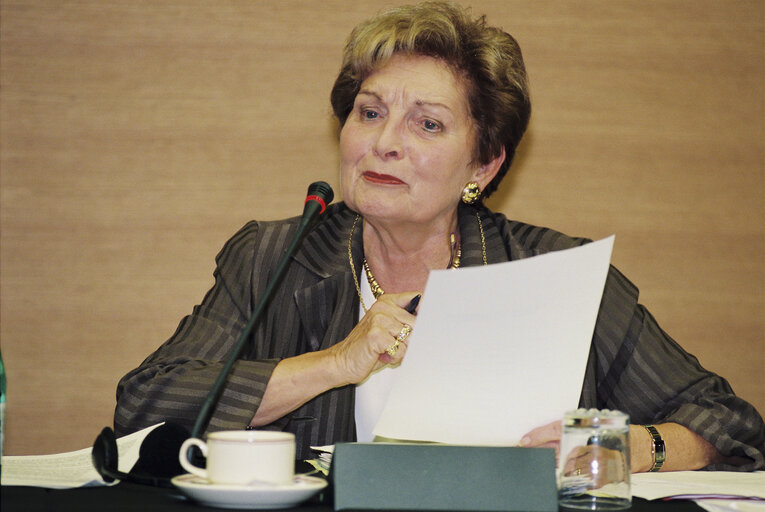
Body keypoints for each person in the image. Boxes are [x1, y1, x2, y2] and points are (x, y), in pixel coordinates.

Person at [114, 1, 765, 471]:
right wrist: (334, 364)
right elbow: (144, 405)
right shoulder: (274, 258)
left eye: (426, 125)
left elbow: (729, 424)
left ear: (483, 165)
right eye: (369, 113)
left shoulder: (554, 274)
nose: (384, 142)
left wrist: (631, 449)